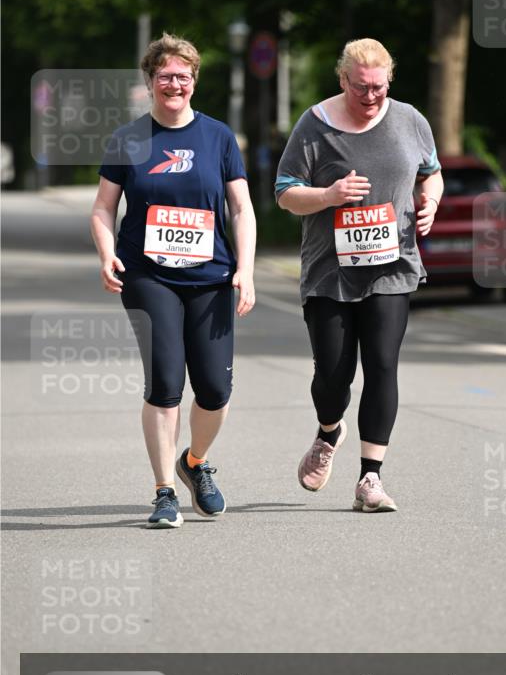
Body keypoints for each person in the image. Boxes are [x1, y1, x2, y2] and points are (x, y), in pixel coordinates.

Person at [91, 33, 256, 528]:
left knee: (214, 389)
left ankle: (195, 463)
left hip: (211, 277)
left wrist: (245, 270)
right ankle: (164, 490)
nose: (174, 83)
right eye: (165, 75)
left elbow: (241, 208)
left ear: (194, 81)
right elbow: (103, 208)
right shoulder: (128, 138)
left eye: (183, 76)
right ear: (151, 81)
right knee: (165, 382)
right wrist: (105, 255)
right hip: (147, 275)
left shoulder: (219, 137)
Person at [275, 38, 444, 512]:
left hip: (392, 266)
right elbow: (285, 192)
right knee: (332, 376)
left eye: (379, 87)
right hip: (330, 271)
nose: (371, 97)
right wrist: (328, 195)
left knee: (382, 365)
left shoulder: (410, 120)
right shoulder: (315, 124)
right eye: (361, 88)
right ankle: (329, 431)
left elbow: (431, 172)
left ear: (389, 80)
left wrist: (429, 201)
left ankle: (370, 478)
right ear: (343, 79)